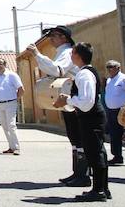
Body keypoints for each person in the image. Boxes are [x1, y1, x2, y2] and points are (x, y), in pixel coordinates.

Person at [27, 26, 87, 186]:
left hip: (74, 96)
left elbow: (57, 70)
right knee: (73, 135)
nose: (51, 38)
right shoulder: (62, 52)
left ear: (64, 37)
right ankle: (78, 173)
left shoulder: (67, 52)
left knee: (78, 136)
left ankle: (83, 174)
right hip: (68, 96)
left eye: (54, 35)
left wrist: (37, 54)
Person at [53, 42, 110, 201]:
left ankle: (98, 191)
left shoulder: (84, 74)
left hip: (90, 117)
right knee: (97, 152)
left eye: (72, 54)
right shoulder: (84, 73)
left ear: (78, 56)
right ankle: (103, 188)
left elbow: (86, 101)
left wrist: (68, 100)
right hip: (93, 116)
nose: (70, 56)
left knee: (94, 153)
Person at [0, 57, 23, 155]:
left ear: (5, 65)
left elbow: (21, 89)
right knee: (5, 126)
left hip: (10, 103)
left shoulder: (12, 75)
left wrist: (14, 99)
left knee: (11, 125)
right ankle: (11, 147)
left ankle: (17, 148)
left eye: (1, 64)